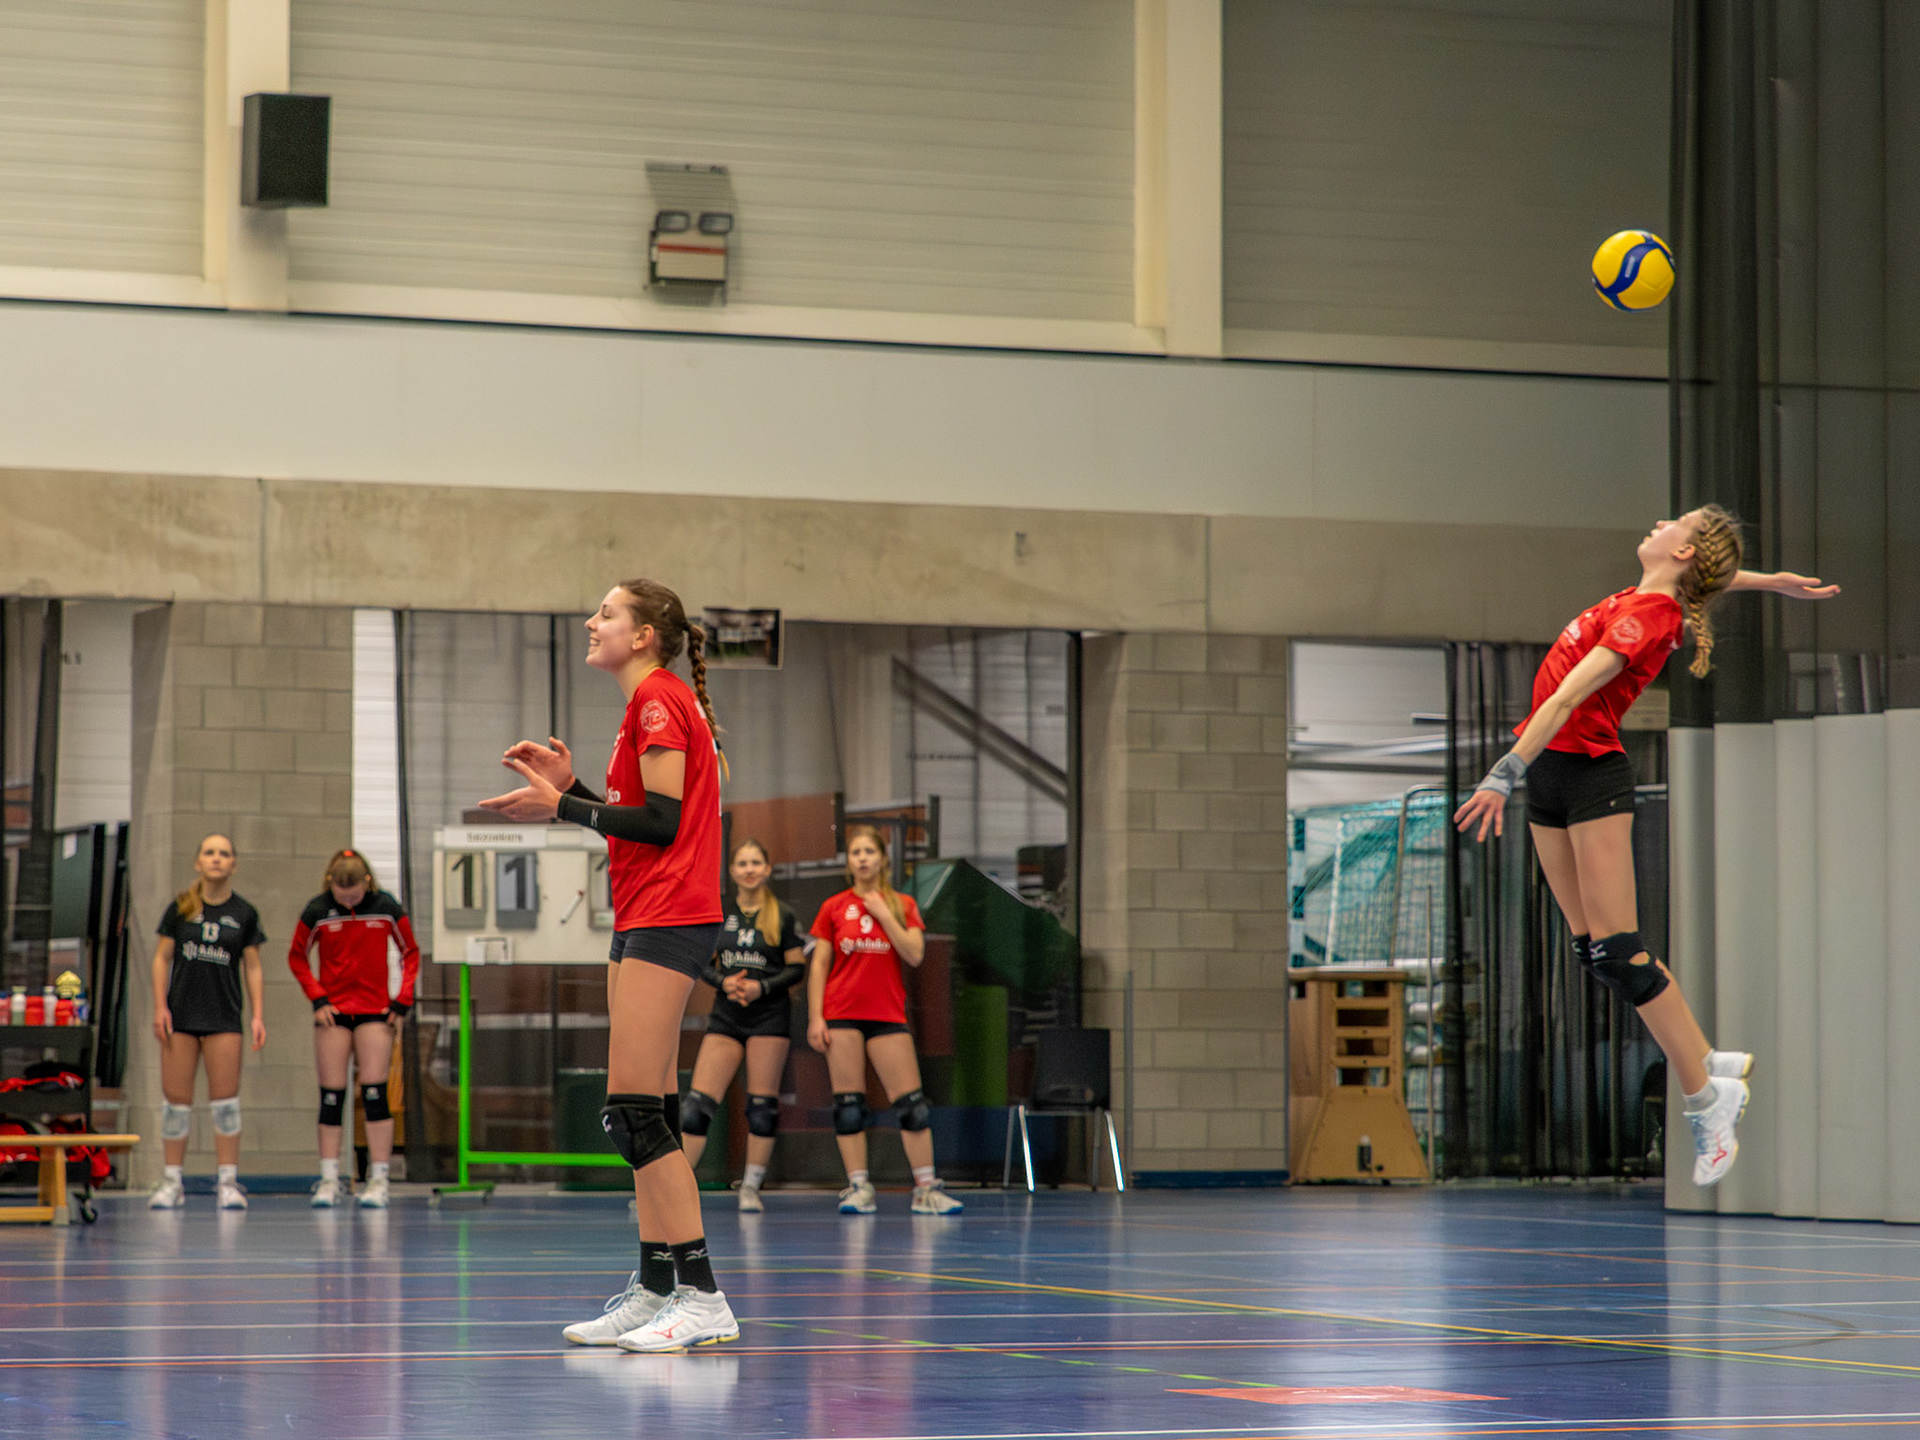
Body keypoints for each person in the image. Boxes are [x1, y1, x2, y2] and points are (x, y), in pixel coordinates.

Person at [1453, 507, 1838, 1187]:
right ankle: (1705, 1059)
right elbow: (1704, 577)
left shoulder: (1648, 617)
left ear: (1683, 550)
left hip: (1587, 776)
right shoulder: (1651, 596)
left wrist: (1501, 775)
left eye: (1675, 522)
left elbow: (1564, 700)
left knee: (1619, 951)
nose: (1660, 522)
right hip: (1552, 776)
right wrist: (1768, 581)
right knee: (1593, 952)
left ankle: (1707, 1099)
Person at [481, 578, 736, 1355]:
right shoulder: (647, 707)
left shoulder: (658, 700)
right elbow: (638, 823)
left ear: (645, 635)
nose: (592, 622)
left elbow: (661, 824)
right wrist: (574, 791)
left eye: (608, 613)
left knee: (632, 1114)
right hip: (642, 914)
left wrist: (559, 807)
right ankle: (655, 1287)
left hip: (670, 916)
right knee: (645, 1111)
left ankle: (702, 1296)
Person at [806, 823, 962, 1216]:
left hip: (886, 1013)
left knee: (912, 1106)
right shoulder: (833, 906)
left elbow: (915, 954)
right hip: (841, 1013)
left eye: (869, 852)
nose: (862, 859)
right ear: (848, 861)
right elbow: (820, 964)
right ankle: (859, 1187)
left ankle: (926, 1189)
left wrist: (882, 913)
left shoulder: (902, 904)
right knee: (849, 1106)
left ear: (882, 859)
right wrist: (815, 1017)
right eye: (856, 853)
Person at [287, 849, 420, 1209]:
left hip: (375, 1011)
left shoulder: (386, 907)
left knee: (375, 1094)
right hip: (334, 1013)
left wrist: (402, 1000)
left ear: (367, 882)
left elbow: (410, 952)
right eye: (341, 895)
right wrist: (318, 998)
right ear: (330, 883)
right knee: (332, 1097)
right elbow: (297, 956)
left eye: (355, 895)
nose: (348, 902)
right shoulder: (318, 910)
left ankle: (378, 1179)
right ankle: (330, 1179)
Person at [681, 839, 808, 1212]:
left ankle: (751, 1187)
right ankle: (676, 1188)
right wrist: (724, 983)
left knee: (762, 1108)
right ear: (732, 871)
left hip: (769, 1017)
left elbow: (796, 968)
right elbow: (698, 960)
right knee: (696, 1107)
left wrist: (761, 987)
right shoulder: (719, 912)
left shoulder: (782, 915)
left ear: (767, 869)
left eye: (756, 863)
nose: (749, 869)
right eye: (742, 863)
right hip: (727, 1016)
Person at [147, 834, 266, 1211]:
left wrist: (258, 1015)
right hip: (181, 1017)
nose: (216, 859)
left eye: (224, 854)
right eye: (209, 853)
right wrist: (160, 1007)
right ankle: (172, 1182)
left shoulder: (244, 913)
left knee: (226, 1103)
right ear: (198, 862)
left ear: (234, 864)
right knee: (175, 1104)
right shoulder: (181, 907)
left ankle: (227, 1183)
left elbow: (253, 966)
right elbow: (161, 958)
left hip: (223, 1017)